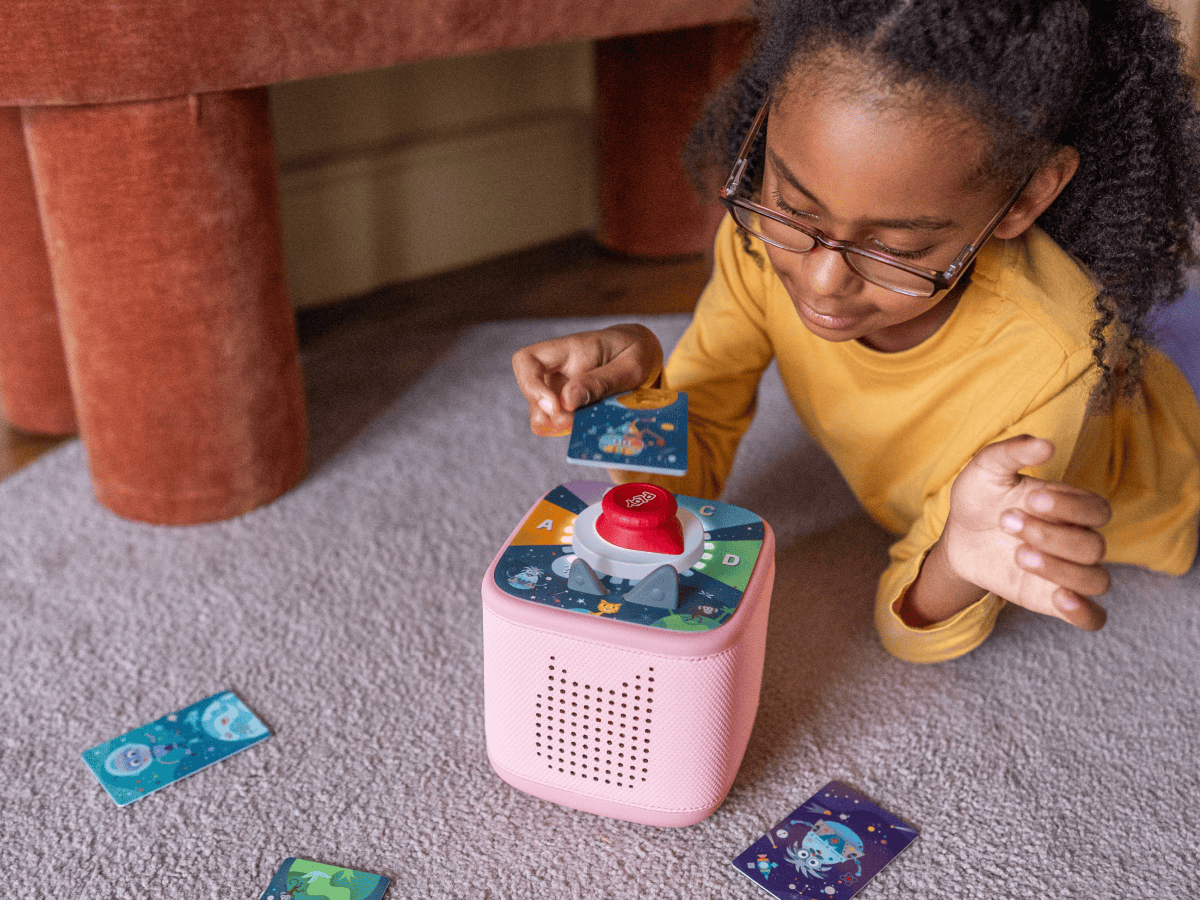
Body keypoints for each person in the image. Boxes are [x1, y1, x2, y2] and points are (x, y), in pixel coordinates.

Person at [511, 0, 1200, 663]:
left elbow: (909, 627)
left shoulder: (1052, 360)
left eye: (895, 249)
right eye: (794, 205)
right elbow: (692, 471)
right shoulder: (758, 242)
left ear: (1026, 198)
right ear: (768, 116)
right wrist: (631, 392)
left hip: (1174, 485)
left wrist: (960, 558)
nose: (821, 283)